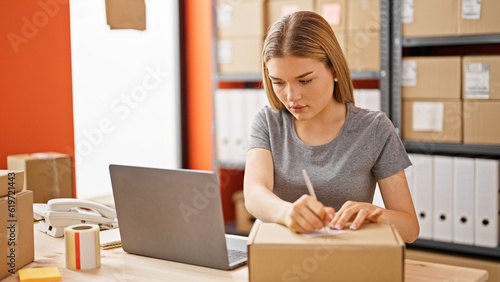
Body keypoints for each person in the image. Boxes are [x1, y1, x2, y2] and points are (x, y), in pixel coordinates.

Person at [243, 11, 419, 243]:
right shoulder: (268, 122)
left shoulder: (375, 129)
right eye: (278, 82)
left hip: (346, 263)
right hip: (279, 261)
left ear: (334, 69)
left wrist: (373, 213)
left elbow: (409, 229)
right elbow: (254, 194)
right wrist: (288, 214)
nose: (291, 96)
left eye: (305, 80)